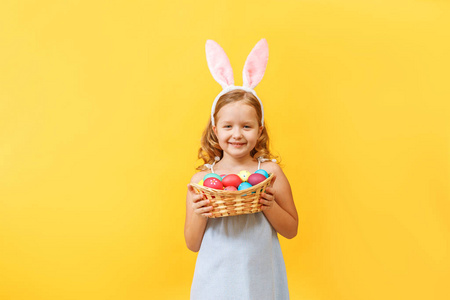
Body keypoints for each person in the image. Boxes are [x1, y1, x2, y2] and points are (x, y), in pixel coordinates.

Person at [184, 38, 298, 300]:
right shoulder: (202, 179)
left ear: (259, 131)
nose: (237, 134)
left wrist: (269, 206)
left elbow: (291, 229)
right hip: (216, 278)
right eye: (228, 126)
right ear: (215, 130)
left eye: (246, 126)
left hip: (260, 276)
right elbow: (192, 244)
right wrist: (200, 212)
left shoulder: (270, 173)